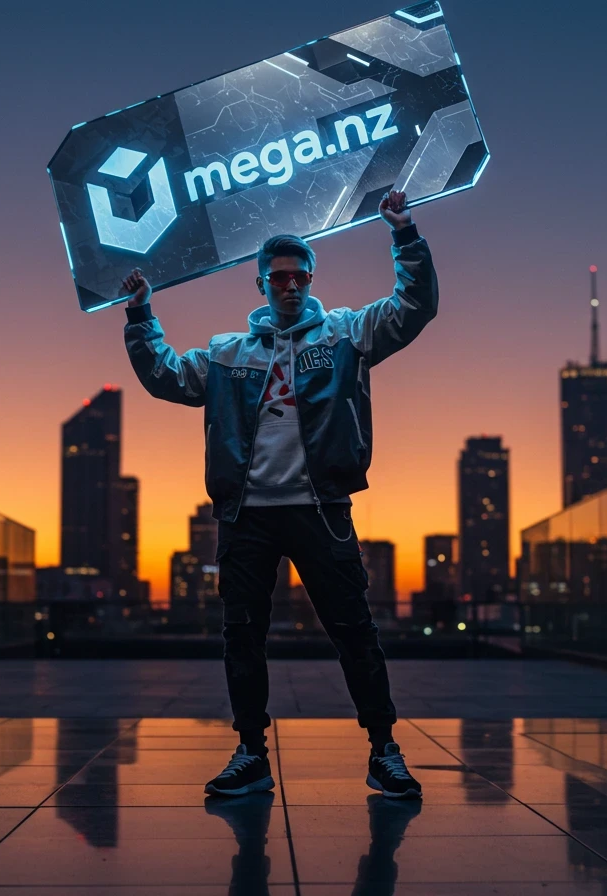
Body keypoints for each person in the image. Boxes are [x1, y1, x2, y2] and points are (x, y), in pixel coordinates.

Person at [121, 189, 435, 800]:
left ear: (311, 280)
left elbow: (413, 307)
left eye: (299, 276)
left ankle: (384, 750)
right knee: (242, 634)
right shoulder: (227, 353)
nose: (289, 286)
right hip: (248, 517)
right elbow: (163, 374)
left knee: (354, 630)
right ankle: (250, 753)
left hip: (321, 512)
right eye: (278, 278)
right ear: (262, 285)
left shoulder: (346, 334)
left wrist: (405, 234)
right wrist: (140, 315)